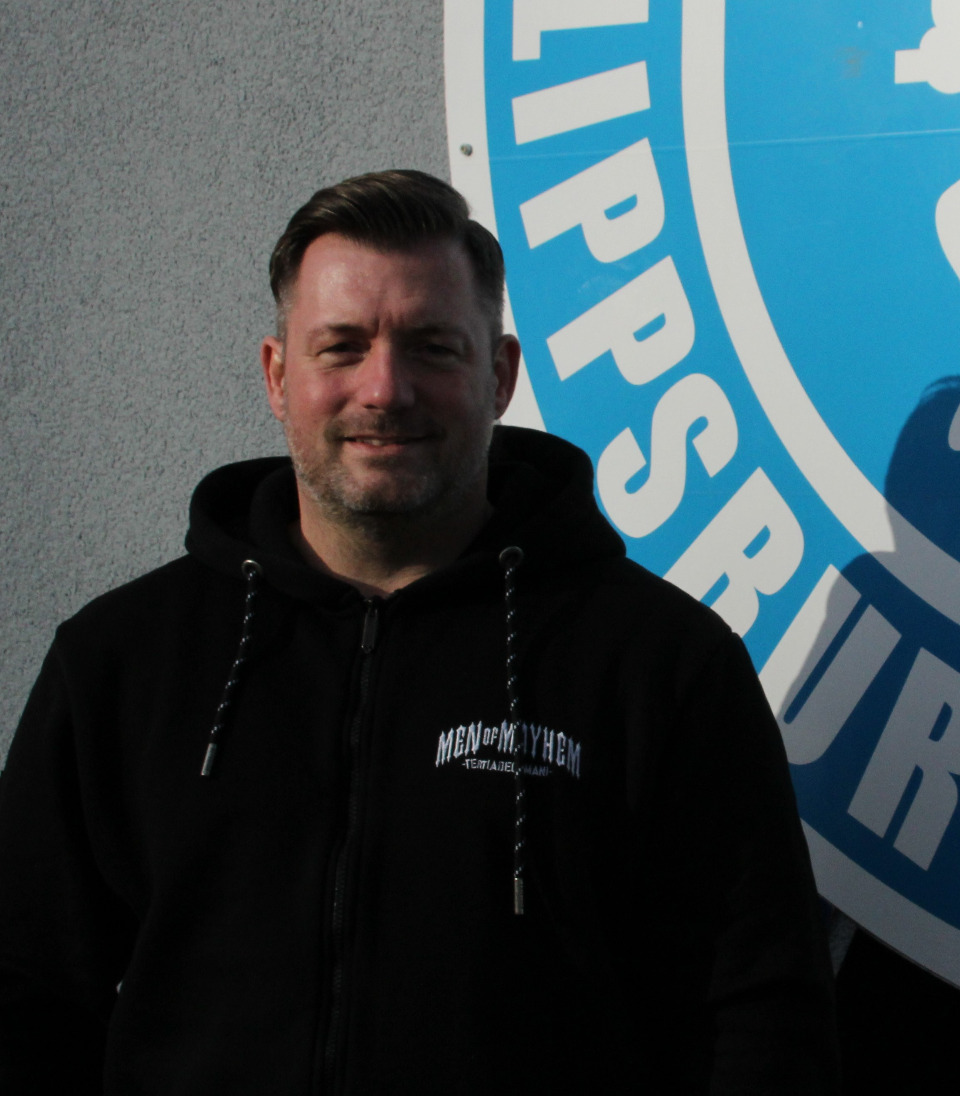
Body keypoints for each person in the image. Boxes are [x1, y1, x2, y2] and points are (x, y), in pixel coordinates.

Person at [0, 170, 839, 1095]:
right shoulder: (123, 664)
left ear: (500, 375)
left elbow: (760, 1016)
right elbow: (26, 999)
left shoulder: (659, 665)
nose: (385, 389)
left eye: (433, 348)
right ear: (278, 375)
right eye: (341, 348)